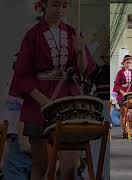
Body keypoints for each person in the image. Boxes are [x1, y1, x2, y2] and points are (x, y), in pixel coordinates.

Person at [9, 0, 96, 179]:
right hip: (38, 103)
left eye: (64, 6)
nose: (60, 10)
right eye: (56, 5)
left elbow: (83, 72)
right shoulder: (32, 36)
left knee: (70, 167)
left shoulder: (73, 33)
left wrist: (80, 52)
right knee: (40, 165)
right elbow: (22, 75)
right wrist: (44, 102)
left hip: (68, 103)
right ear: (45, 5)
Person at [112, 55, 132, 138]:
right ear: (123, 63)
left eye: (130, 63)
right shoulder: (120, 73)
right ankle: (124, 131)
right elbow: (116, 85)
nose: (128, 65)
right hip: (122, 95)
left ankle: (129, 130)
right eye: (127, 63)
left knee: (131, 113)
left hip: (131, 94)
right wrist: (122, 92)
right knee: (123, 113)